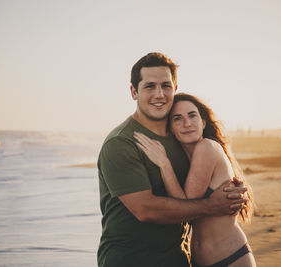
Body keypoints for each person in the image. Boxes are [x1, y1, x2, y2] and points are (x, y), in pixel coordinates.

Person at [97, 52, 249, 267]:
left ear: (174, 89)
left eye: (166, 86)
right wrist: (212, 205)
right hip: (131, 259)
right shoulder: (121, 143)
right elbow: (146, 210)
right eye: (149, 86)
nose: (159, 94)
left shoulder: (180, 137)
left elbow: (209, 171)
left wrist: (230, 188)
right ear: (134, 92)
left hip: (179, 258)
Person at [134, 93, 256, 267]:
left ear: (203, 122)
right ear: (171, 128)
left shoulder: (206, 147)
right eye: (178, 119)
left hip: (231, 258)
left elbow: (186, 207)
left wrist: (164, 164)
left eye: (192, 115)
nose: (187, 123)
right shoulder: (186, 160)